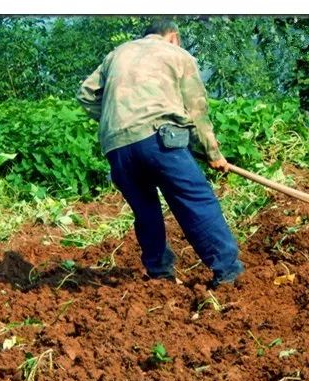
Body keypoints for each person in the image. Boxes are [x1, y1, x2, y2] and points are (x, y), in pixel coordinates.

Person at [77, 19, 244, 287]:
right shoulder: (177, 54)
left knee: (145, 210)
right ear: (173, 37)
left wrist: (119, 120)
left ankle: (160, 274)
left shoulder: (117, 54)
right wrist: (213, 153)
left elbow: (86, 95)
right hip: (160, 136)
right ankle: (227, 270)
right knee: (195, 200)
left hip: (117, 146)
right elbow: (197, 110)